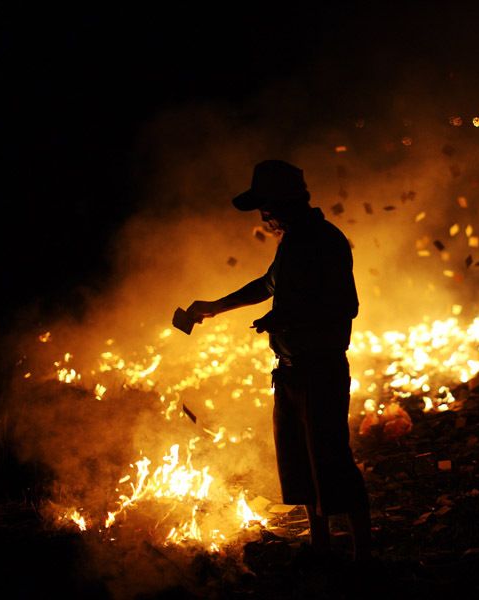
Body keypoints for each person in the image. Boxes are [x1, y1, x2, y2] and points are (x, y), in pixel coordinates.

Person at [185, 159, 372, 564]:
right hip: (289, 372)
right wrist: (217, 306)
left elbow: (347, 305)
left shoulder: (325, 241)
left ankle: (364, 554)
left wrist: (286, 317)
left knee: (333, 460)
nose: (263, 215)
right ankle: (320, 544)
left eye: (266, 205)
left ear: (286, 200)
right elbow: (269, 284)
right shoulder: (291, 243)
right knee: (300, 463)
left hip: (321, 370)